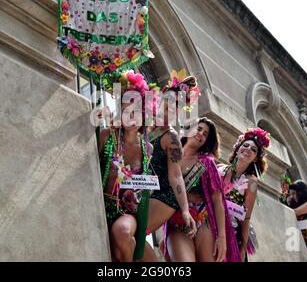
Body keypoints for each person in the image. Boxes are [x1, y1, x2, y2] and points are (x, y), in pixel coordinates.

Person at [140, 70, 200, 261]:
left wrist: (184, 210)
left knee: (136, 236)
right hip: (145, 190)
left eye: (178, 106)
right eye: (171, 102)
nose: (173, 108)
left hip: (165, 196)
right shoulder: (147, 128)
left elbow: (176, 176)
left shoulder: (172, 137)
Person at [165, 117, 241, 262]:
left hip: (203, 222)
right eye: (198, 129)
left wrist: (222, 237)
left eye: (205, 134)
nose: (201, 134)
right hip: (176, 222)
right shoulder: (169, 154)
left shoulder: (206, 163)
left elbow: (218, 201)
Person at [98, 71, 154, 262]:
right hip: (100, 206)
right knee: (118, 252)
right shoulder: (106, 136)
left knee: (123, 232)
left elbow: (144, 186)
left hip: (126, 211)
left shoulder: (148, 148)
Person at [217, 127, 270, 262]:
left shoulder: (251, 182)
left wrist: (242, 248)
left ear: (255, 158)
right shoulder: (219, 169)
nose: (248, 149)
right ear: (237, 148)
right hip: (207, 220)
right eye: (245, 145)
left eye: (253, 150)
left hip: (231, 231)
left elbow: (246, 219)